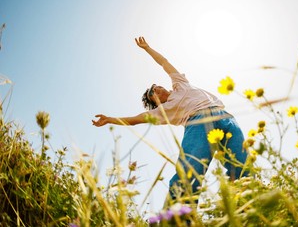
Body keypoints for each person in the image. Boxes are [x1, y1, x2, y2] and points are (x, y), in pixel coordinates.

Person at [92, 37, 248, 205]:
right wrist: (109, 120)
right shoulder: (162, 111)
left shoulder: (180, 84)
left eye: (156, 85)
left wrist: (147, 48)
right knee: (191, 170)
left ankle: (245, 204)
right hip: (197, 123)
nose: (156, 87)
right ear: (154, 102)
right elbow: (134, 120)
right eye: (152, 91)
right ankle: (177, 218)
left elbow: (164, 62)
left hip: (224, 116)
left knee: (242, 163)